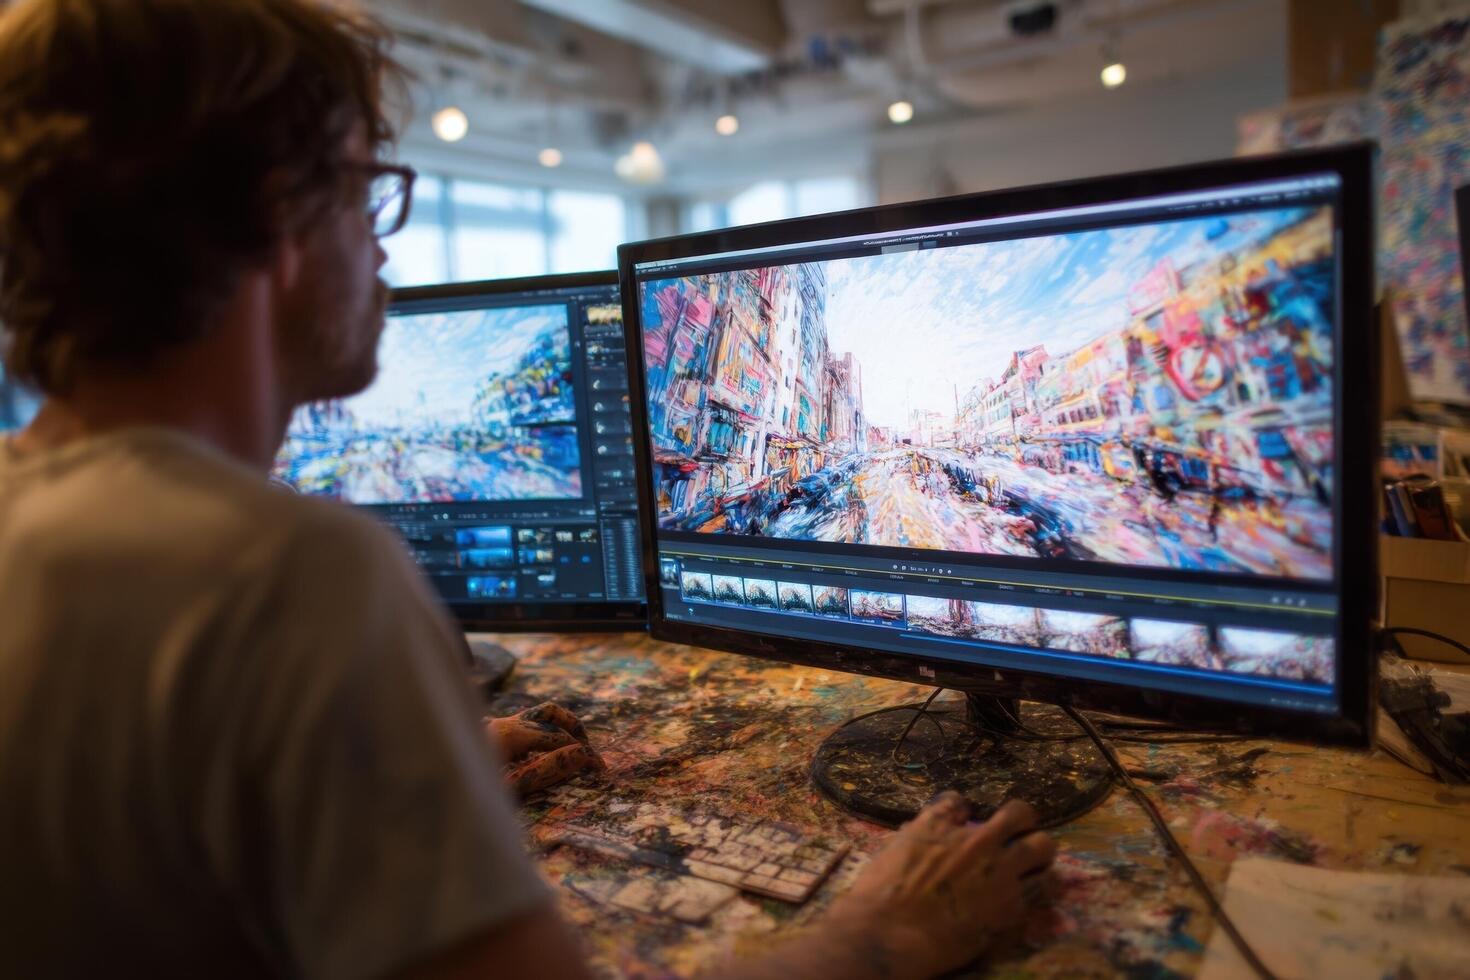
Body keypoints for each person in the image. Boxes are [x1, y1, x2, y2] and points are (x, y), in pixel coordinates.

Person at [0, 1, 1056, 978]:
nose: (379, 245)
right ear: (278, 221)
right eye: (365, 192)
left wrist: (390, 781)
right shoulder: (291, 571)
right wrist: (880, 933)